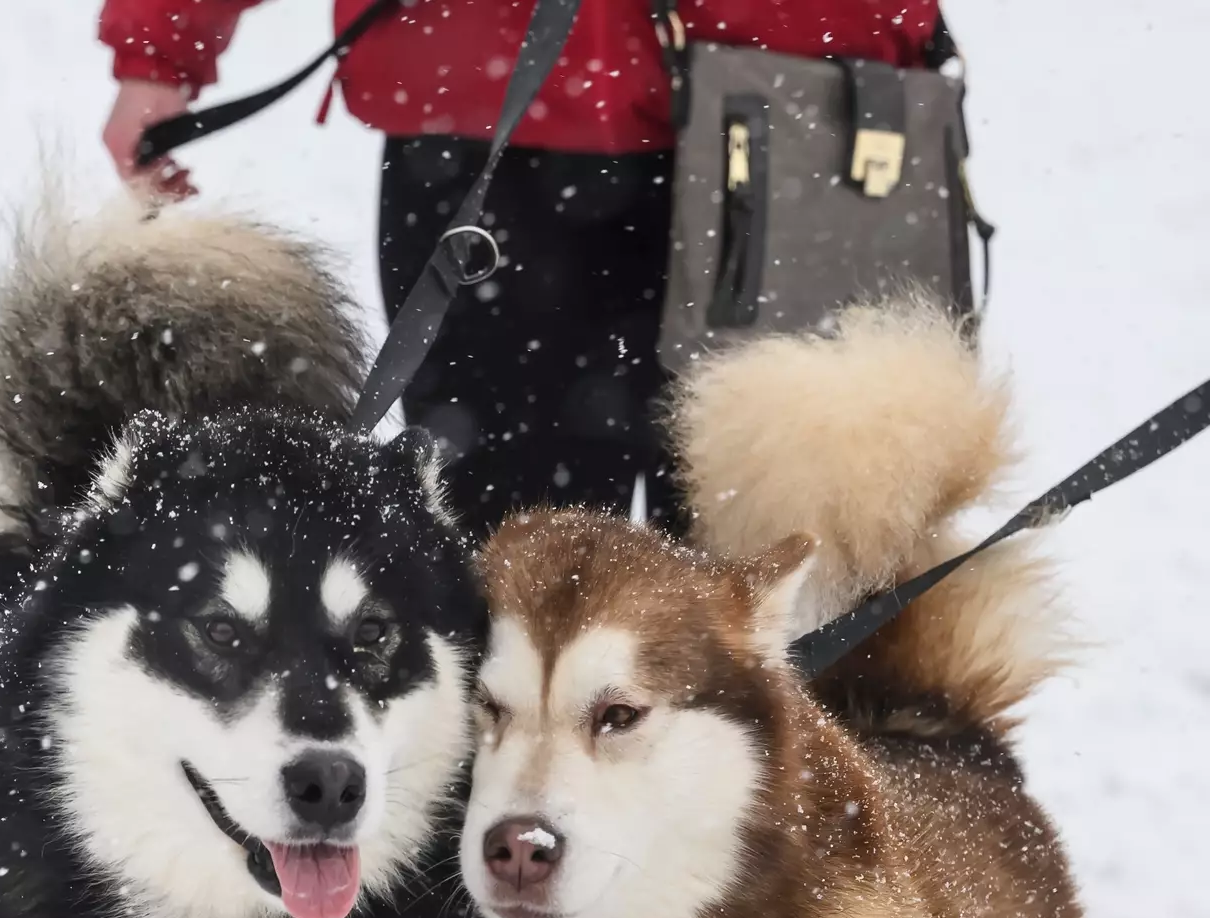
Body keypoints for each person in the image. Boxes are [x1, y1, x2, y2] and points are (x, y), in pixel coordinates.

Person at [99, 1, 943, 534]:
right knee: (522, 574)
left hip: (782, 106)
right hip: (529, 113)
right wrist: (160, 40)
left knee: (788, 572)